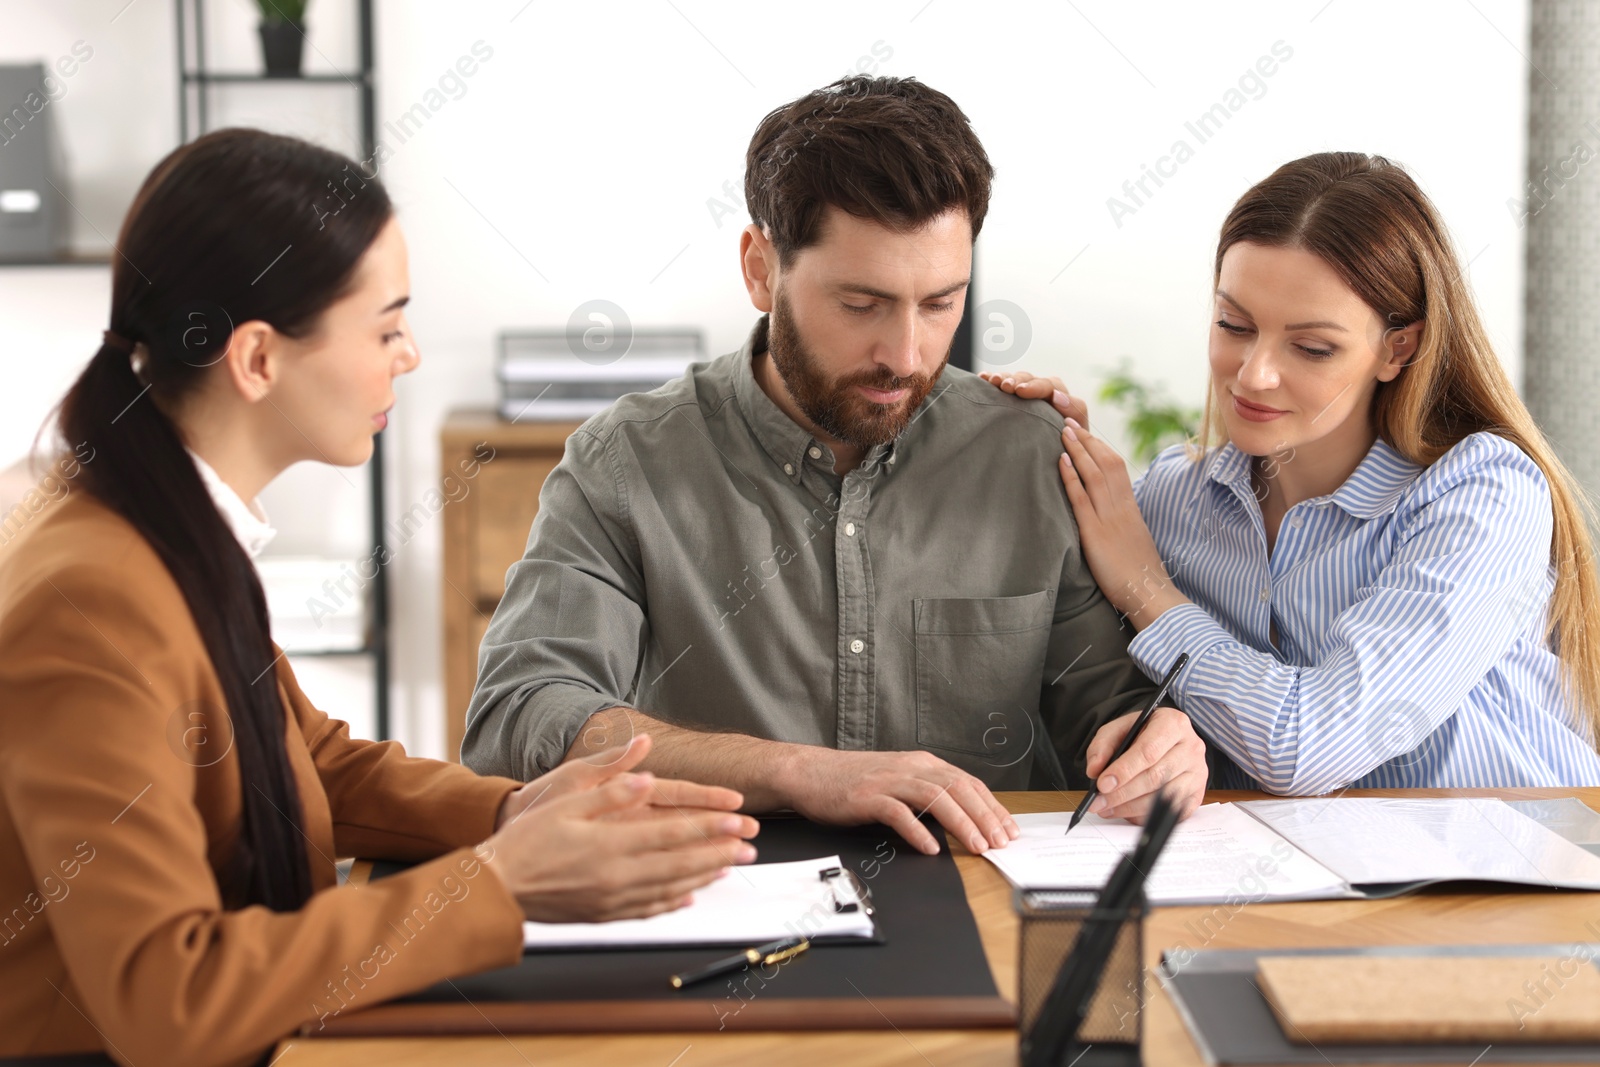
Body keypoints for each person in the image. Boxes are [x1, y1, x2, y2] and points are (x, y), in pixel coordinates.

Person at [0, 128, 759, 1067]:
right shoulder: (95, 596)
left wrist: (508, 815)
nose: (407, 355)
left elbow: (304, 760)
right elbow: (167, 997)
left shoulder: (171, 516)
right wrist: (498, 883)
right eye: (386, 324)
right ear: (257, 360)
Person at [462, 76, 1209, 855]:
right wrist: (794, 771)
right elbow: (519, 716)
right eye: (861, 305)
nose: (907, 355)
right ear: (760, 268)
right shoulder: (626, 462)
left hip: (981, 915)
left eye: (941, 302)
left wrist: (1157, 742)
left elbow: (1111, 710)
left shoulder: (1028, 455)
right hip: (723, 898)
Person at [983, 151, 1600, 793]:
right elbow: (1102, 679)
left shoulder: (1480, 493)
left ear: (1399, 347)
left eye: (1311, 347)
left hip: (1521, 875)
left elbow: (1310, 748)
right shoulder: (1171, 497)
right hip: (1300, 884)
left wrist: (1148, 589)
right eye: (1234, 324)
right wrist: (1060, 451)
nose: (1253, 374)